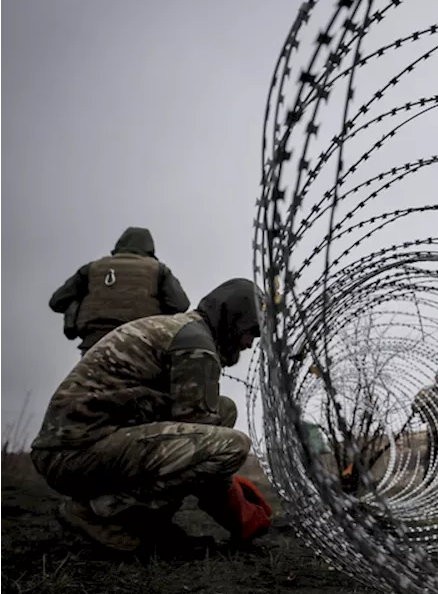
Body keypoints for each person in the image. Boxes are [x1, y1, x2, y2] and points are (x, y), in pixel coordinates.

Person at [30, 278, 270, 554]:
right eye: (251, 331)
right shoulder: (196, 344)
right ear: (234, 318)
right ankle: (102, 515)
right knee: (233, 445)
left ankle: (143, 522)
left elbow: (195, 430)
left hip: (78, 446)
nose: (250, 343)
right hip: (74, 453)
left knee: (224, 410)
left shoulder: (184, 329)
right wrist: (237, 509)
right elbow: (201, 444)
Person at [48, 227, 190, 354]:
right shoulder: (158, 270)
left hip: (94, 344)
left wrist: (78, 305)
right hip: (139, 343)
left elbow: (57, 301)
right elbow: (180, 305)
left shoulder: (92, 269)